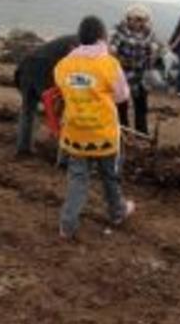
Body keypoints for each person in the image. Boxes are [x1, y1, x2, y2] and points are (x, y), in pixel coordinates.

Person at [55, 16, 135, 239]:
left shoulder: (64, 65)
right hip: (104, 134)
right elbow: (122, 96)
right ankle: (117, 212)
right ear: (102, 37)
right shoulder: (109, 64)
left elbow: (62, 88)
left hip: (75, 134)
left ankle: (67, 225)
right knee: (110, 175)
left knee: (77, 179)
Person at [14, 34, 79, 156]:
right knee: (61, 110)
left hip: (26, 66)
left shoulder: (74, 40)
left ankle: (23, 148)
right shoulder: (81, 47)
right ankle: (63, 154)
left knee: (28, 110)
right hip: (44, 68)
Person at [110, 4, 158, 135]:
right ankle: (123, 132)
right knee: (121, 104)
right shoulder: (119, 30)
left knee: (141, 105)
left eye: (141, 20)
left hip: (141, 73)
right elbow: (112, 50)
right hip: (122, 73)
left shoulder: (149, 33)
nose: (138, 22)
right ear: (128, 18)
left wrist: (153, 54)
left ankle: (141, 133)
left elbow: (154, 49)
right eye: (135, 19)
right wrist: (117, 58)